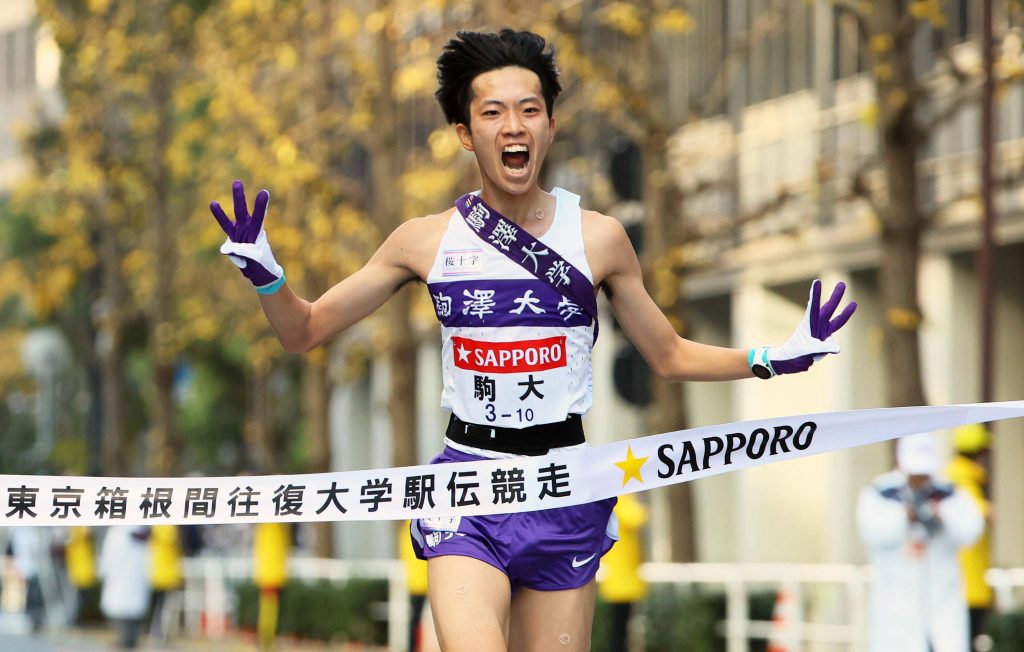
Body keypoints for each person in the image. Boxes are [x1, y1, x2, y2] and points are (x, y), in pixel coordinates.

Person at [210, 28, 856, 651]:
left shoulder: (599, 238)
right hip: (469, 485)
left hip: (563, 489)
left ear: (549, 125)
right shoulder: (423, 241)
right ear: (466, 133)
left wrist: (775, 357)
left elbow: (669, 354)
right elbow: (306, 330)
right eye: (493, 113)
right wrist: (269, 277)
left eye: (529, 110)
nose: (513, 126)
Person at [856, 432, 984, 652]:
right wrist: (904, 516)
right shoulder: (880, 492)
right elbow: (870, 531)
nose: (919, 479)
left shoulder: (949, 493)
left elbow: (971, 531)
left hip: (943, 601)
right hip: (895, 603)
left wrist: (942, 515)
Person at [946, 424, 994, 650]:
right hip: (967, 586)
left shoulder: (952, 476)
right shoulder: (965, 479)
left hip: (960, 584)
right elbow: (979, 517)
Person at [597, 493, 648, 652]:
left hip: (621, 576)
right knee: (619, 630)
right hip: (621, 577)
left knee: (620, 628)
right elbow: (637, 516)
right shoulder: (620, 502)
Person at [99, 525, 152, 650]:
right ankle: (125, 638)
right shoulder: (117, 534)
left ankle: (129, 639)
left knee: (131, 608)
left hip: (134, 578)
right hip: (120, 579)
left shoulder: (139, 536)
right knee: (121, 607)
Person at [253, 522, 291, 650]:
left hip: (269, 573)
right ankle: (267, 639)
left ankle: (267, 638)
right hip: (272, 574)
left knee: (268, 609)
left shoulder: (265, 527)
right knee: (269, 609)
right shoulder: (274, 527)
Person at [148, 524, 185, 643]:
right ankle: (160, 635)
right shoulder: (166, 527)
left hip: (159, 573)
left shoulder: (156, 526)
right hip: (166, 574)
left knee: (160, 608)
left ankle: (158, 634)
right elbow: (172, 541)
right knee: (164, 608)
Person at [399, 521, 431, 652]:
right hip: (421, 580)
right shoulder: (420, 522)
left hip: (417, 580)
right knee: (416, 620)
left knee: (415, 620)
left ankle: (412, 648)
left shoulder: (408, 526)